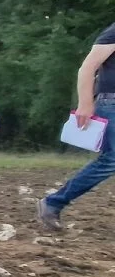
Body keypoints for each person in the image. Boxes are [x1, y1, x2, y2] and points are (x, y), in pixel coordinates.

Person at [37, 22, 115, 229]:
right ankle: (53, 202)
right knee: (111, 160)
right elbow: (88, 67)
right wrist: (85, 103)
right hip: (111, 102)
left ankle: (54, 203)